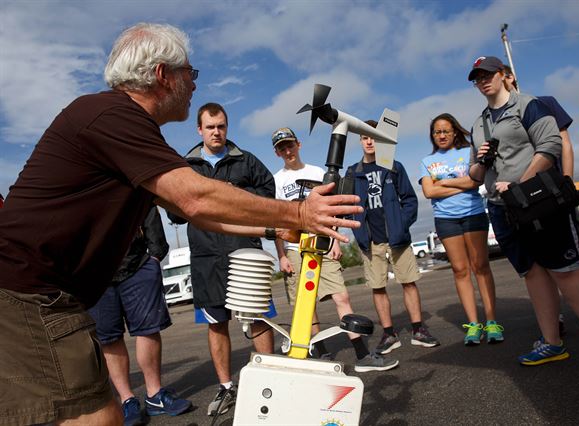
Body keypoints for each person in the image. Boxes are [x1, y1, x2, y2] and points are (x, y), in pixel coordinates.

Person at [0, 23, 362, 425]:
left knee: (100, 417)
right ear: (162, 74)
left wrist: (275, 230)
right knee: (95, 418)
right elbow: (196, 195)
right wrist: (298, 213)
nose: (193, 84)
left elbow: (198, 213)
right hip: (27, 293)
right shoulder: (110, 115)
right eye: (190, 73)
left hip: (41, 294)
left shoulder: (127, 127)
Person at [467, 55, 579, 376]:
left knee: (567, 270)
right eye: (476, 77)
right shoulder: (477, 124)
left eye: (487, 74)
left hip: (537, 201)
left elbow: (550, 144)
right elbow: (473, 173)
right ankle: (552, 343)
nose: (482, 80)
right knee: (533, 273)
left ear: (502, 75)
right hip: (503, 209)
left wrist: (520, 184)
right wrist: (481, 162)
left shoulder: (529, 105)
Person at [167, 102, 276, 417]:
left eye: (221, 126)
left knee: (257, 316)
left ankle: (268, 379)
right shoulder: (185, 166)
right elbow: (174, 213)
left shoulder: (247, 161)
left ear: (227, 128)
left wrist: (235, 195)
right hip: (207, 258)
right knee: (217, 325)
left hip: (245, 251)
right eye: (210, 127)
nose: (216, 132)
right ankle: (227, 387)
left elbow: (268, 196)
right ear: (199, 129)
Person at [503, 66, 579, 339]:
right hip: (527, 200)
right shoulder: (499, 120)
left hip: (552, 193)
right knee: (540, 263)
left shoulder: (542, 103)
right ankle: (555, 318)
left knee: (576, 256)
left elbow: (565, 144)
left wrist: (566, 184)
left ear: (509, 77)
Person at [272, 127, 399, 372]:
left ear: (299, 144)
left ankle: (362, 355)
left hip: (322, 242)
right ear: (277, 153)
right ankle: (322, 353)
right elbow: (278, 222)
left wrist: (335, 242)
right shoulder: (277, 181)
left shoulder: (318, 172)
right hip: (294, 246)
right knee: (306, 306)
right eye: (281, 148)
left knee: (341, 296)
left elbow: (334, 209)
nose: (287, 150)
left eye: (290, 144)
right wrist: (281, 256)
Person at [88, 207, 191, 425]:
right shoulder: (73, 185)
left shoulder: (125, 176)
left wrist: (154, 256)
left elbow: (145, 206)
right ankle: (127, 400)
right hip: (94, 273)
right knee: (108, 337)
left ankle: (155, 395)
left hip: (137, 264)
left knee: (148, 329)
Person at [347, 120, 440, 355]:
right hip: (370, 242)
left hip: (397, 239)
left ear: (380, 139)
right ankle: (389, 334)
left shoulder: (393, 166)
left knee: (409, 282)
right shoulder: (353, 173)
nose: (369, 141)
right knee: (378, 288)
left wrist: (400, 225)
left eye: (374, 136)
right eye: (365, 137)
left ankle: (419, 330)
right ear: (360, 141)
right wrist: (358, 230)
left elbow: (409, 199)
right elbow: (348, 206)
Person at [419, 113, 503, 346]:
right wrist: (461, 183)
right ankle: (474, 325)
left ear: (455, 131)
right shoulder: (427, 161)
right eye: (437, 132)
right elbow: (429, 192)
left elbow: (475, 181)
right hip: (445, 219)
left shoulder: (469, 153)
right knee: (459, 269)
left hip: (473, 214)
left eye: (446, 130)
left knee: (481, 266)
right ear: (432, 135)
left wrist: (443, 182)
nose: (442, 135)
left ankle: (492, 321)